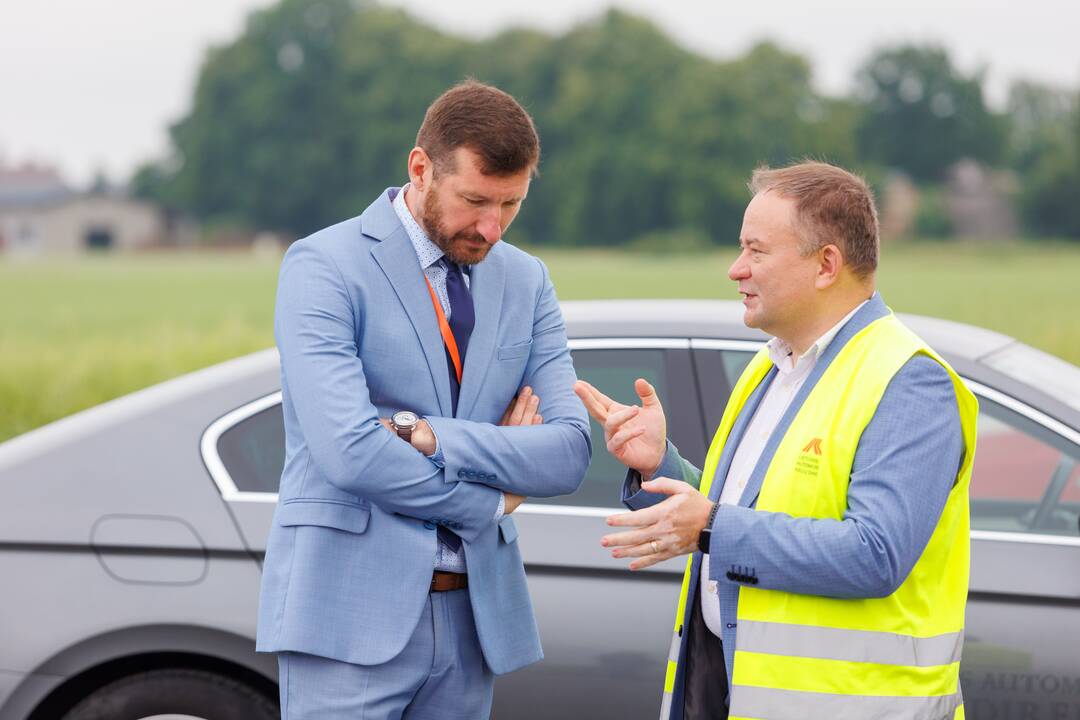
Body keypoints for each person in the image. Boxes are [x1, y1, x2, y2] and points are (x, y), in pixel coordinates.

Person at [575, 161, 977, 720]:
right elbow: (735, 515)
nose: (736, 269)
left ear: (826, 264)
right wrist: (658, 464)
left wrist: (711, 524)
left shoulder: (909, 380)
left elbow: (876, 555)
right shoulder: (771, 368)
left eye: (756, 250)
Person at [258, 81, 591, 719]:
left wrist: (433, 435)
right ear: (420, 169)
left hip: (475, 623)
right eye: (474, 201)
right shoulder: (323, 265)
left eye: (511, 204)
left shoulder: (528, 279)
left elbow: (571, 454)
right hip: (346, 620)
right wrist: (495, 493)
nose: (492, 227)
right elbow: (351, 452)